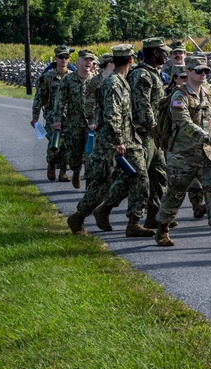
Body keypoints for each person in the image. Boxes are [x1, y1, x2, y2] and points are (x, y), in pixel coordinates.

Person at [154, 56, 211, 249]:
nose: (203, 74)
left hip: (208, 155)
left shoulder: (210, 95)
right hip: (182, 155)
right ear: (188, 72)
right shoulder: (180, 96)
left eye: (206, 71)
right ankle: (162, 229)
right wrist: (209, 138)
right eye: (199, 71)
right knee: (175, 193)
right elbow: (183, 122)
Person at [67, 44, 153, 238]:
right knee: (102, 184)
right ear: (131, 60)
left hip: (129, 139)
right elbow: (111, 115)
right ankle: (78, 217)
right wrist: (119, 141)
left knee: (140, 177)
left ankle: (133, 222)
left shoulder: (123, 81)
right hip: (111, 142)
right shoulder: (113, 83)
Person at [128, 37, 170, 229]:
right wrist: (153, 128)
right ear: (155, 53)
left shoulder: (154, 74)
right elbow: (143, 105)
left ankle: (154, 214)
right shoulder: (142, 75)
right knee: (140, 178)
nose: (166, 55)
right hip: (144, 133)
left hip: (155, 134)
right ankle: (133, 221)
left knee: (159, 173)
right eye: (163, 51)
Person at [51, 49, 97, 189]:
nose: (89, 62)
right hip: (74, 123)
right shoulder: (68, 79)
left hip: (91, 125)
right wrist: (58, 119)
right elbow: (60, 101)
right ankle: (76, 171)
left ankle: (89, 181)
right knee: (75, 154)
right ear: (78, 61)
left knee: (91, 154)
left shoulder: (95, 80)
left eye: (91, 60)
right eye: (86, 60)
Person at [32, 45, 74, 181]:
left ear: (69, 59)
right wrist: (35, 117)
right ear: (55, 58)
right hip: (52, 115)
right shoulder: (47, 78)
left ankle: (63, 171)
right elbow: (39, 98)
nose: (63, 60)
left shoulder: (73, 77)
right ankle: (51, 163)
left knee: (67, 144)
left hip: (69, 116)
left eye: (66, 57)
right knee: (55, 143)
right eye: (61, 57)